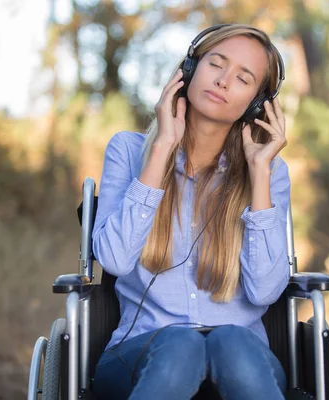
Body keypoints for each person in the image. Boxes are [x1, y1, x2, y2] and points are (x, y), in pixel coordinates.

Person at [91, 23, 291, 400]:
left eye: (243, 78)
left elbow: (265, 290)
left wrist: (259, 173)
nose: (223, 81)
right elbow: (114, 260)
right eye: (216, 64)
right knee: (180, 343)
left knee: (232, 339)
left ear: (255, 104)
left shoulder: (270, 172)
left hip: (243, 361)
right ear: (189, 70)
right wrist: (163, 147)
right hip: (140, 354)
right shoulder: (128, 151)